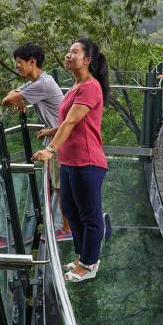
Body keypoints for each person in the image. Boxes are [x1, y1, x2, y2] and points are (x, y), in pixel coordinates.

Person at [33, 38, 110, 283]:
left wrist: (50, 150)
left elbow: (73, 122)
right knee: (70, 211)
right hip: (70, 160)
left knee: (90, 215)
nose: (68, 55)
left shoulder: (90, 86)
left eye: (74, 52)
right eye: (68, 51)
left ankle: (90, 263)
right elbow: (66, 121)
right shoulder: (75, 86)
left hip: (87, 160)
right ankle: (81, 256)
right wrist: (51, 131)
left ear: (87, 60)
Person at [1, 43, 72, 240]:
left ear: (32, 62)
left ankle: (67, 230)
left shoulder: (42, 84)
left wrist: (18, 98)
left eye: (19, 64)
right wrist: (19, 97)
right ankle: (68, 225)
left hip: (61, 140)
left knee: (60, 186)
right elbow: (11, 95)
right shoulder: (38, 81)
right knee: (58, 184)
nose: (18, 68)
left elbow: (6, 101)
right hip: (56, 135)